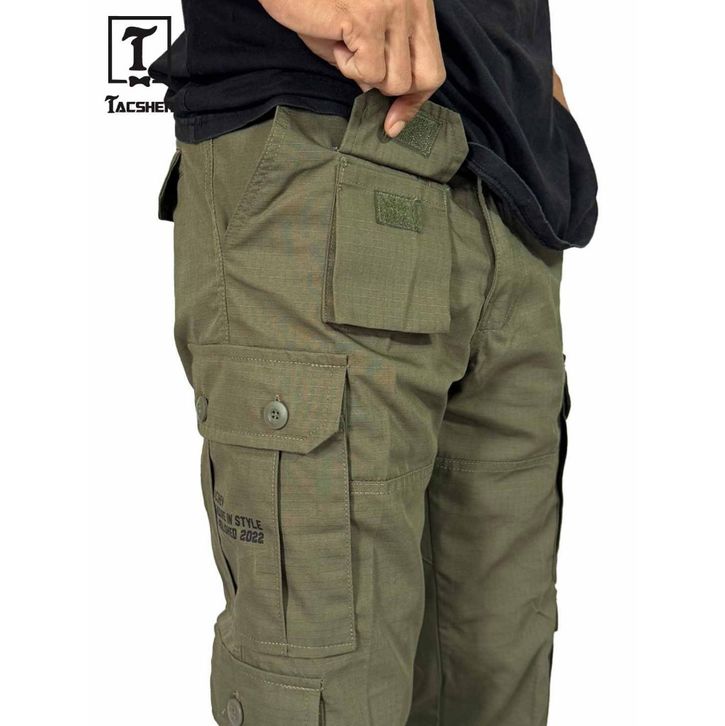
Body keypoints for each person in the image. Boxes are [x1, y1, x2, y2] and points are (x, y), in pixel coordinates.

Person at [151, 2, 597, 724]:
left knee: (499, 681)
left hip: (513, 194)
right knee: (325, 693)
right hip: (323, 150)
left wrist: (529, 79)